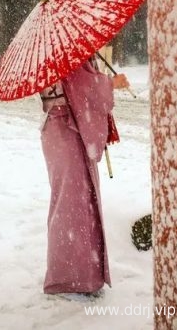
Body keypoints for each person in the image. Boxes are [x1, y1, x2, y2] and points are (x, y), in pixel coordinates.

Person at [39, 54, 130, 300]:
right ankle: (73, 276)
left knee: (69, 203)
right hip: (67, 130)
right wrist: (112, 83)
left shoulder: (52, 51)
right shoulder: (68, 54)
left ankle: (72, 273)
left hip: (58, 130)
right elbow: (87, 88)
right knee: (76, 204)